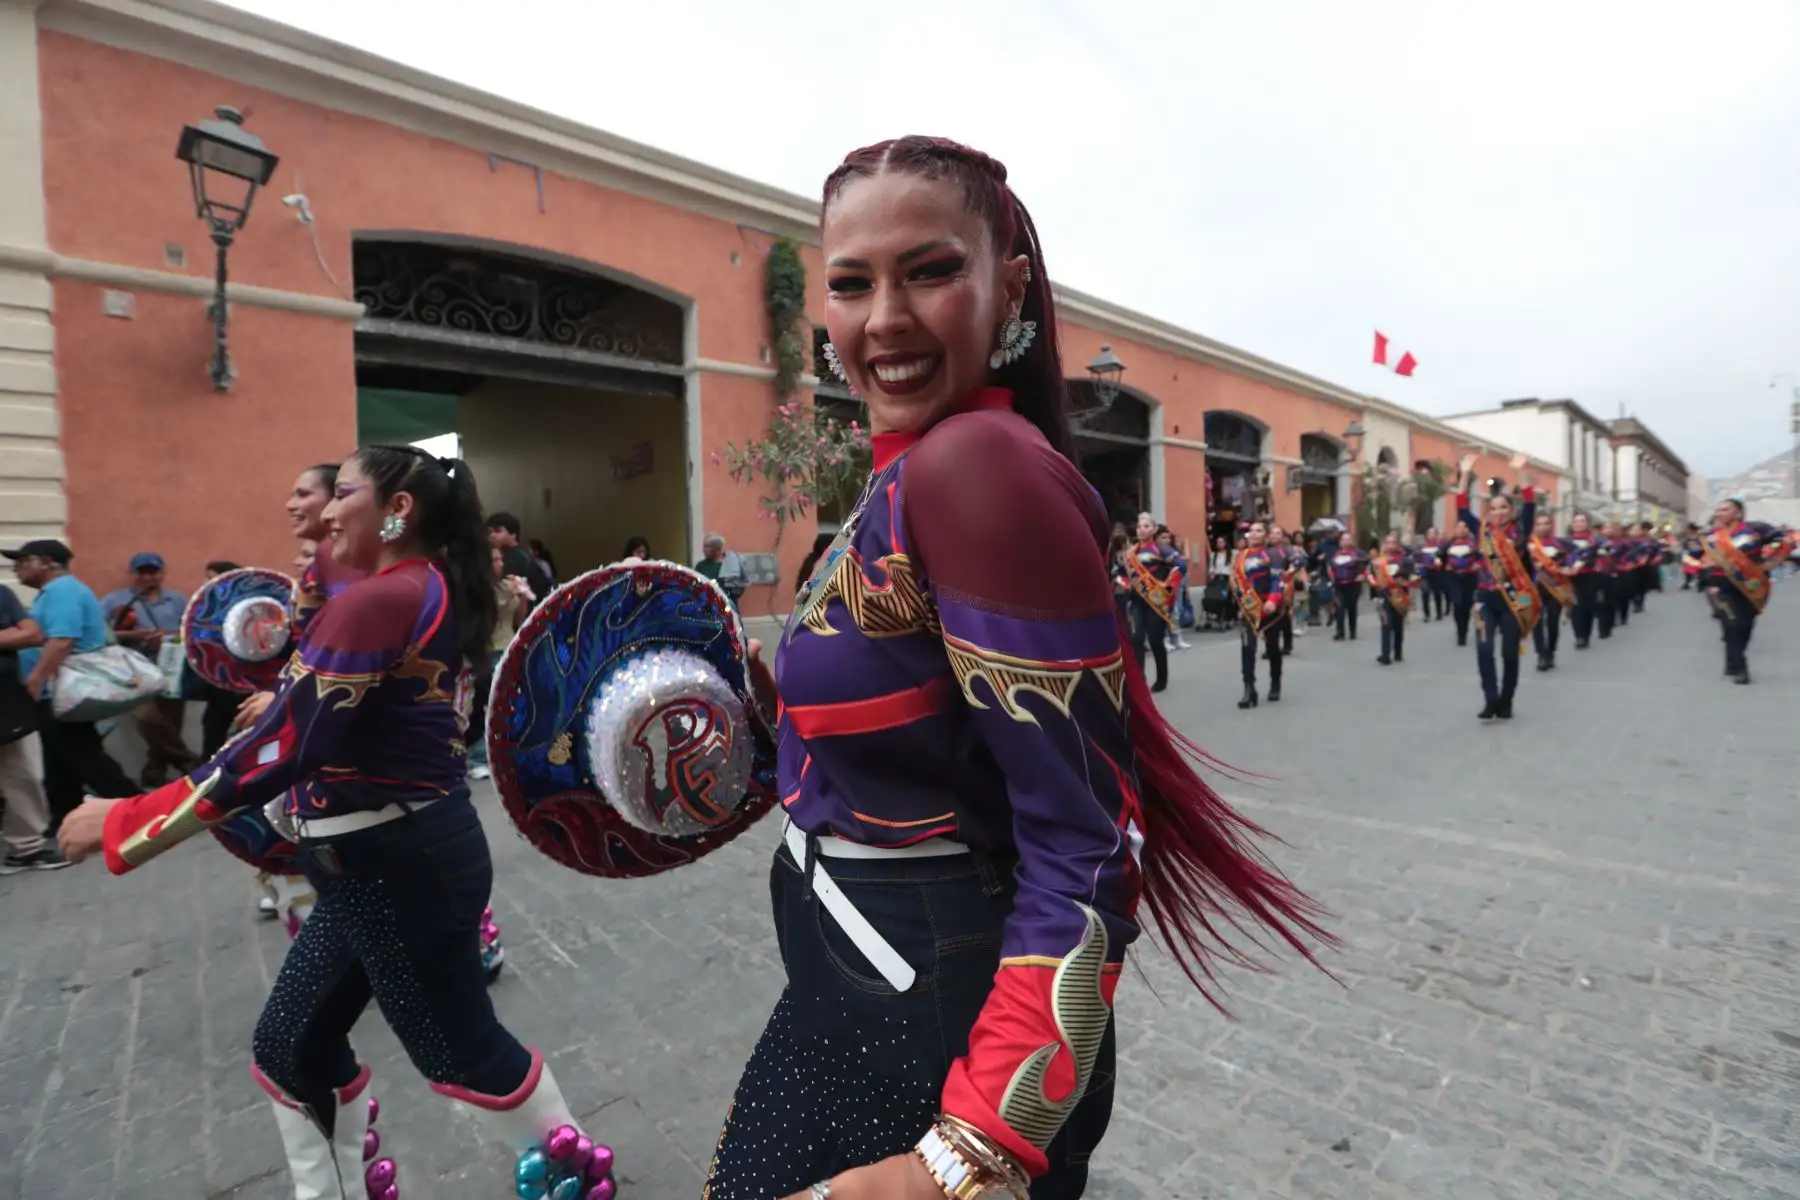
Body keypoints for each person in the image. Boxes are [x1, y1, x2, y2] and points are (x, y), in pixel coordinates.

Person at [703, 135, 1329, 1200]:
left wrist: (973, 1150)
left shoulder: (973, 466)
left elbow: (1089, 844)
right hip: (854, 981)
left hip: (942, 1023)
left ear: (1011, 288)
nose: (884, 319)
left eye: (931, 270)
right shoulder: (901, 478)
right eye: (851, 284)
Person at [56, 449, 607, 1198]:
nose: (322, 510)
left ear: (397, 510)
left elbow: (280, 748)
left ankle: (575, 1180)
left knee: (458, 1051)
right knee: (291, 1047)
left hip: (398, 864)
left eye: (341, 493)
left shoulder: (381, 596)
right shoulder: (422, 585)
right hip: (381, 863)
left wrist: (125, 821)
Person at [0, 540, 137, 830]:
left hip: (61, 689)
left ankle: (135, 807)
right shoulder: (55, 592)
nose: (17, 567)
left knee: (80, 753)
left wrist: (36, 679)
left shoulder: (61, 591)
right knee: (60, 756)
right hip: (57, 689)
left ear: (47, 562)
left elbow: (63, 640)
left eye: (24, 561)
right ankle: (65, 815)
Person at [1454, 453, 1540, 720]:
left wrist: (1518, 471)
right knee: (1484, 648)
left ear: (1510, 511)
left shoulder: (1520, 530)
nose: (1499, 512)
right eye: (1494, 508)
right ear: (1488, 512)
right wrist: (1465, 473)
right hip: (1485, 598)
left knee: (1509, 653)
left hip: (1515, 599)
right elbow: (1461, 507)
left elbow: (1529, 502)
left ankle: (1507, 699)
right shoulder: (1481, 531)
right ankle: (1491, 699)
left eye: (1503, 508)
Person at [0, 580, 67, 873]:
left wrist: (19, 634)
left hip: (6, 701)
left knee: (22, 772)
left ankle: (25, 849)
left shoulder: (1, 594)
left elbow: (33, 634)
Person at [1691, 497, 1788, 684]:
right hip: (1719, 586)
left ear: (1738, 512)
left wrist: (1773, 559)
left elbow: (1784, 540)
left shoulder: (1757, 529)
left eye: (1725, 509)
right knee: (1731, 624)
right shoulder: (1708, 537)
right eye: (1718, 510)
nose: (1720, 513)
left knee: (1745, 625)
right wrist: (1701, 565)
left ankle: (1732, 660)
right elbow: (1690, 557)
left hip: (1752, 584)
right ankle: (1740, 669)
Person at [467, 545, 532, 783]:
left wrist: (522, 596)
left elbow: (520, 620)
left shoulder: (506, 586)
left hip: (507, 649)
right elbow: (484, 621)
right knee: (485, 707)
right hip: (486, 652)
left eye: (500, 559)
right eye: (494, 559)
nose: (500, 564)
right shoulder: (476, 591)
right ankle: (476, 758)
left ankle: (502, 756)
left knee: (510, 705)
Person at [1113, 512, 1181, 692]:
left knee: (1156, 640)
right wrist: (1125, 584)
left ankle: (1161, 678)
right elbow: (1119, 573)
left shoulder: (1162, 549)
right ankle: (1139, 680)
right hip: (1136, 600)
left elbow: (1180, 565)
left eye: (1146, 526)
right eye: (1139, 526)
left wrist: (1168, 586)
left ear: (1154, 529)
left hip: (1155, 602)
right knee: (1136, 638)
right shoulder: (1131, 553)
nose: (1141, 530)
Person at [1230, 520, 1290, 707]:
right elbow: (1236, 582)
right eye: (1251, 531)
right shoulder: (1240, 557)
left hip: (1269, 607)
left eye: (1258, 530)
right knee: (1247, 648)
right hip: (1249, 609)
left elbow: (1277, 579)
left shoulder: (1273, 555)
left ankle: (1275, 683)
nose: (1254, 534)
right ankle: (1249, 689)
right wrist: (1241, 604)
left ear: (1265, 535)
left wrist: (1273, 600)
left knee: (1272, 647)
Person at [1527, 514, 1573, 672]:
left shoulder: (1561, 543)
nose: (1542, 527)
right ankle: (1541, 655)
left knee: (1553, 622)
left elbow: (1574, 558)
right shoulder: (1528, 544)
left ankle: (1551, 651)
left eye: (1546, 523)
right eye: (1539, 524)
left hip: (1555, 587)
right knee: (1536, 622)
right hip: (1534, 587)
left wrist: (1567, 568)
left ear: (1551, 526)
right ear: (1534, 526)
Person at [1369, 533, 1417, 666]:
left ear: (1397, 545)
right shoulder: (1379, 561)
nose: (1390, 545)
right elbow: (1371, 577)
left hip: (1400, 596)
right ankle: (1385, 654)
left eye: (1393, 543)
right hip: (1385, 595)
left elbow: (1414, 577)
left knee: (1398, 625)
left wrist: (1406, 583)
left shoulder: (1405, 561)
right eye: (1388, 543)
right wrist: (1374, 587)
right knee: (1386, 624)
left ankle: (1398, 652)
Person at [1564, 514, 1606, 649]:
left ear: (1587, 523)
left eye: (1582, 521)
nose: (1578, 524)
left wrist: (1595, 562)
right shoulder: (1566, 540)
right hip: (1572, 577)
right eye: (1575, 521)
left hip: (1590, 576)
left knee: (1588, 606)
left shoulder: (1595, 540)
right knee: (1576, 606)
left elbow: (1603, 555)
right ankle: (1579, 636)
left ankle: (1586, 634)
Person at [694, 532, 748, 609]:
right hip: (707, 608)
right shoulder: (701, 566)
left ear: (717, 549)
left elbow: (740, 587)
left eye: (707, 546)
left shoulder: (732, 565)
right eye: (704, 546)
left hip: (727, 607)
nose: (703, 549)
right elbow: (696, 586)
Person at [1326, 538, 1367, 640]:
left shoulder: (1357, 553)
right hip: (1339, 585)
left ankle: (1352, 631)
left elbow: (1365, 565)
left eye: (1348, 539)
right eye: (1343, 540)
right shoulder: (1337, 554)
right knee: (1339, 608)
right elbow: (1330, 566)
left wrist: (1362, 575)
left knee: (1351, 608)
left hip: (1353, 585)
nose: (1345, 542)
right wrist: (1331, 575)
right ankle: (1340, 632)